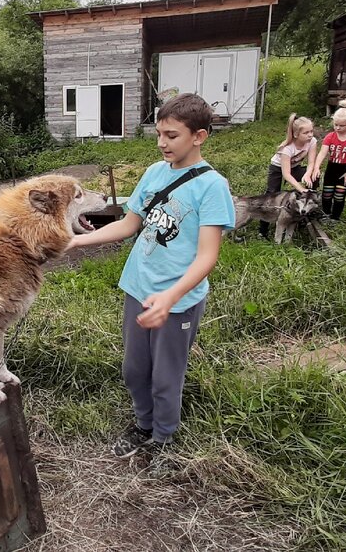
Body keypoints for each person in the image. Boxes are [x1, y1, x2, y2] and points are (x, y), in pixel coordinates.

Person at [69, 93, 235, 463]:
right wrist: (76, 241)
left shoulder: (212, 187)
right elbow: (129, 225)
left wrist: (171, 297)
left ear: (199, 136)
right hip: (139, 288)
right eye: (159, 133)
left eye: (172, 135)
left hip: (177, 301)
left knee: (165, 377)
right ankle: (143, 425)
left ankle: (162, 438)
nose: (162, 143)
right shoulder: (154, 173)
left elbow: (207, 256)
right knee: (134, 370)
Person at [259, 113, 318, 238]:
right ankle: (263, 229)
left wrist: (307, 175)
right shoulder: (287, 149)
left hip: (295, 167)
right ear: (296, 134)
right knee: (271, 193)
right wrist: (300, 187)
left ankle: (306, 209)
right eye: (306, 133)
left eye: (311, 131)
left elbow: (311, 162)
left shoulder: (312, 141)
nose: (310, 135)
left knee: (314, 178)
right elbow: (286, 174)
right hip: (278, 168)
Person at [312, 107, 346, 222]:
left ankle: (335, 218)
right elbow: (322, 153)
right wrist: (316, 167)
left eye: (342, 126)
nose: (337, 128)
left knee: (339, 195)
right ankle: (325, 214)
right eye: (335, 125)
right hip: (332, 167)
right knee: (327, 194)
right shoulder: (330, 136)